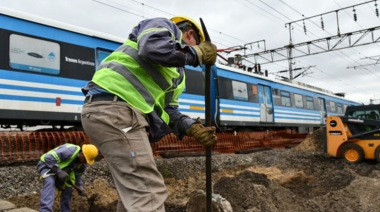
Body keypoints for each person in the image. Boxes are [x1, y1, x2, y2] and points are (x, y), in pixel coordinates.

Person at [81, 15, 217, 212]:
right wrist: (195, 54)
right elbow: (152, 47)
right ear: (190, 34)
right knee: (148, 193)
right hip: (117, 109)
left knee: (134, 194)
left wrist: (191, 127)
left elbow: (168, 111)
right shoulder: (163, 26)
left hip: (112, 113)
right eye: (197, 45)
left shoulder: (178, 74)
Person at [37, 143, 99, 212]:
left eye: (87, 161)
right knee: (50, 183)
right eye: (85, 159)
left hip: (62, 171)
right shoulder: (69, 151)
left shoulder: (82, 164)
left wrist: (80, 187)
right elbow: (48, 158)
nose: (85, 162)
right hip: (47, 165)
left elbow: (77, 176)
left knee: (68, 189)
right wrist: (58, 171)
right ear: (81, 154)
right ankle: (45, 210)